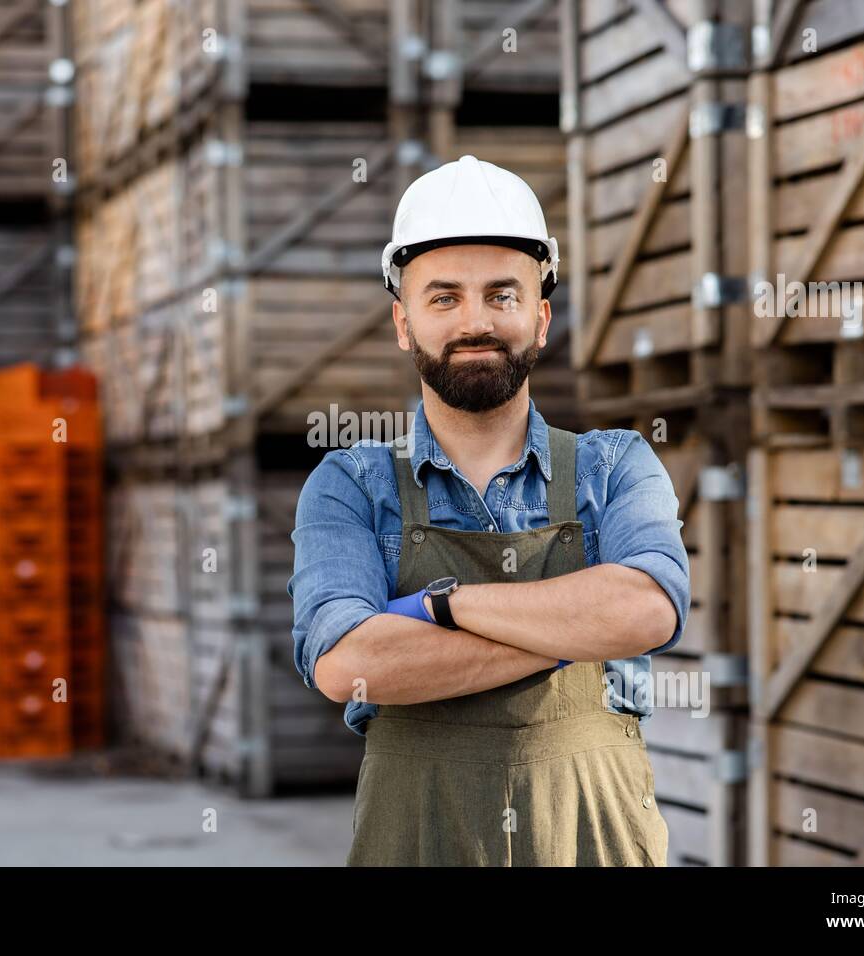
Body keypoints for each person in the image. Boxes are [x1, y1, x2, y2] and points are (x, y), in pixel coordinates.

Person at [287, 155, 689, 866]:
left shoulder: (616, 465)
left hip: (594, 838)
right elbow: (349, 662)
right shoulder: (349, 484)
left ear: (540, 318)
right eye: (444, 298)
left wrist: (442, 606)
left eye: (501, 295)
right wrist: (575, 624)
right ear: (403, 322)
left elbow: (646, 613)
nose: (475, 321)